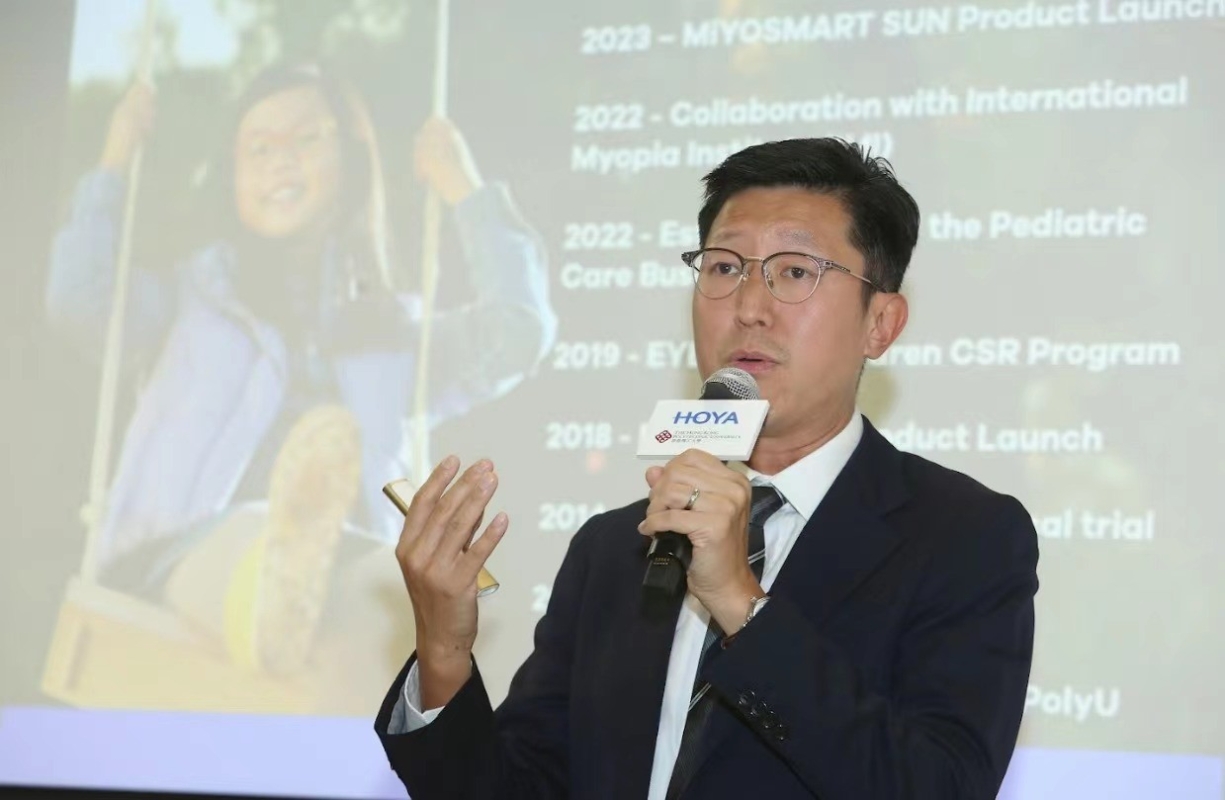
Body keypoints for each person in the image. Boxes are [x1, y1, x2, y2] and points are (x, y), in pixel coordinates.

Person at [374, 138, 1039, 799]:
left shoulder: (963, 538)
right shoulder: (616, 550)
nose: (748, 306)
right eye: (723, 267)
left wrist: (741, 604)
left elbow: (937, 786)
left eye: (794, 272)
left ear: (881, 324)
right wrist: (442, 652)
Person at [45, 62, 556, 680]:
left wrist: (466, 191)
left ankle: (321, 638)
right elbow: (79, 298)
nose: (280, 160)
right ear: (233, 177)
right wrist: (114, 159)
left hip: (340, 565)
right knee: (270, 550)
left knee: (419, 603)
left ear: (350, 159)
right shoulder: (189, 300)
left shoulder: (388, 330)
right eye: (258, 148)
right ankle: (284, 589)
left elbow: (515, 335)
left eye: (305, 139)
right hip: (183, 557)